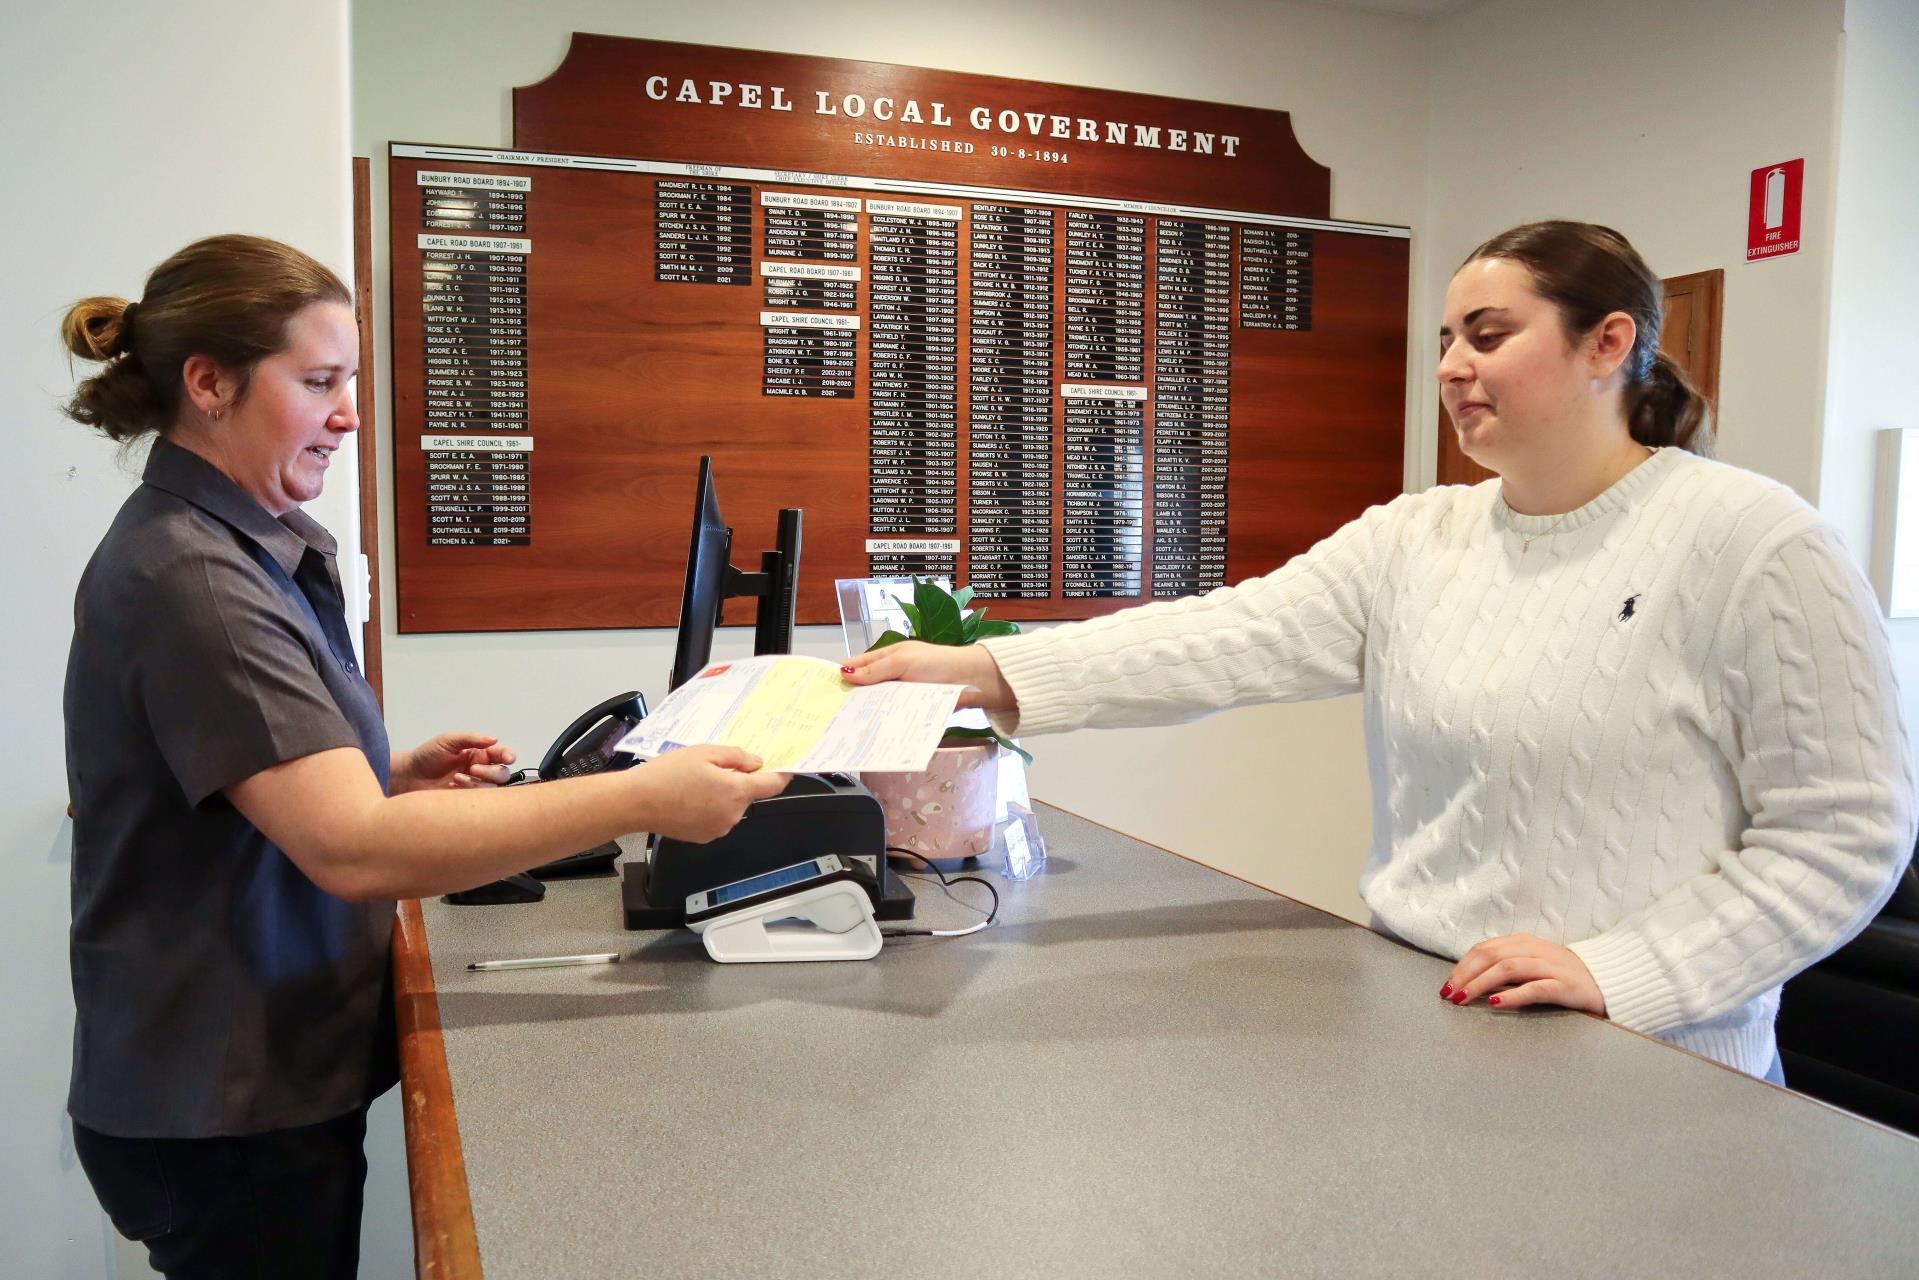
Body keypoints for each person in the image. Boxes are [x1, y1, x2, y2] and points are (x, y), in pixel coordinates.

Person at [846, 220, 1916, 1085]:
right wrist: (980, 666)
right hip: (1426, 1025)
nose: (1451, 366)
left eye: (1487, 335)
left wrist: (1620, 971)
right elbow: (1224, 636)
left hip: (1652, 1061)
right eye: (1445, 340)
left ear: (1606, 344)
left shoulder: (1756, 541)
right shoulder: (1417, 536)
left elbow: (1842, 832)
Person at [59, 234, 788, 1279]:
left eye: (348, 379)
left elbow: (247, 780)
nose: (349, 413)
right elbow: (354, 851)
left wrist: (383, 769)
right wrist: (639, 796)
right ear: (209, 383)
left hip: (242, 1084)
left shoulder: (238, 543)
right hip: (220, 1106)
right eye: (318, 382)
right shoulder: (195, 577)